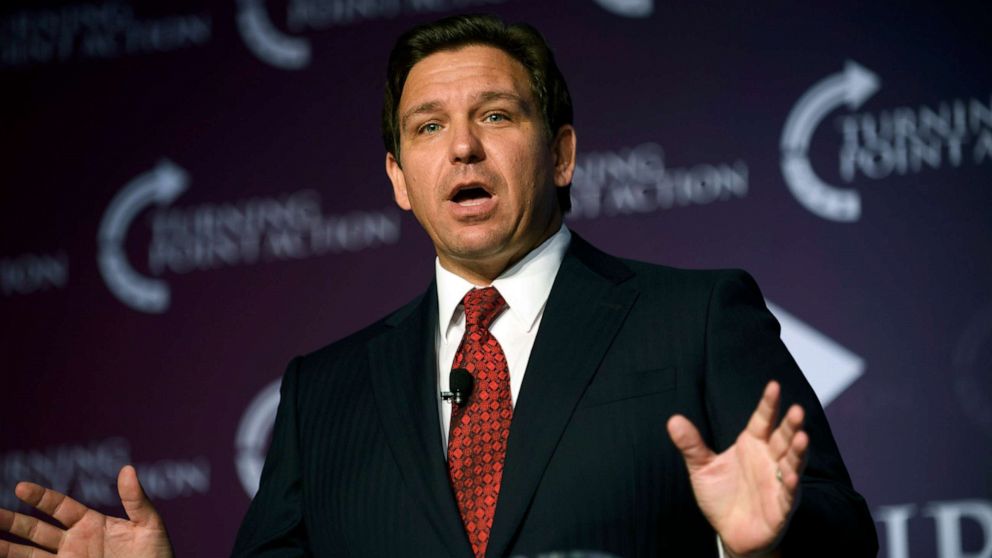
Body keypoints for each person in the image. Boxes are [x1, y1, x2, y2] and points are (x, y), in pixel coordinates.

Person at [0, 14, 877, 558]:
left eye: (496, 115)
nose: (462, 147)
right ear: (396, 177)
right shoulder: (324, 393)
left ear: (562, 152)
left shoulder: (693, 318)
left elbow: (841, 530)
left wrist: (752, 549)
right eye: (429, 126)